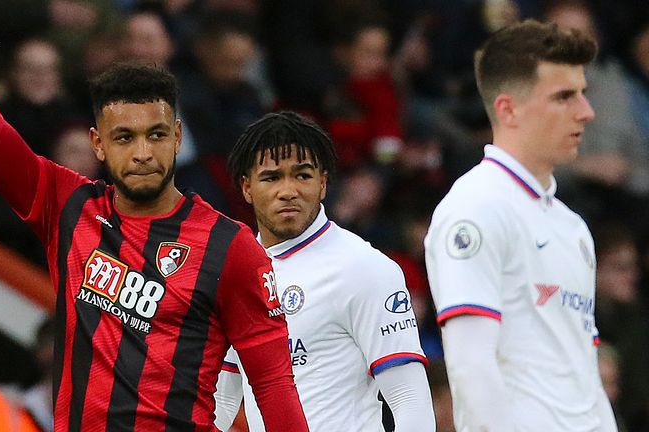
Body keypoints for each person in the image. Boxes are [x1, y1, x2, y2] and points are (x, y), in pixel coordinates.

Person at [0, 2, 308, 431]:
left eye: (155, 135)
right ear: (98, 144)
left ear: (177, 137)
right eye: (124, 137)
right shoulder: (67, 205)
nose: (141, 153)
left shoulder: (230, 246)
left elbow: (273, 383)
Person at [423, 19, 618, 431]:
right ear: (508, 109)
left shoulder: (572, 227)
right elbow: (470, 366)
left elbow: (584, 373)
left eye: (583, 94)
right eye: (565, 96)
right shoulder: (476, 207)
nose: (586, 111)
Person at [214, 111, 435, 431]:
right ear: (247, 187)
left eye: (302, 175)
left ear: (323, 182)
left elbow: (409, 399)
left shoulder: (365, 268)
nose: (288, 190)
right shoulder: (234, 276)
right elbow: (222, 401)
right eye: (272, 177)